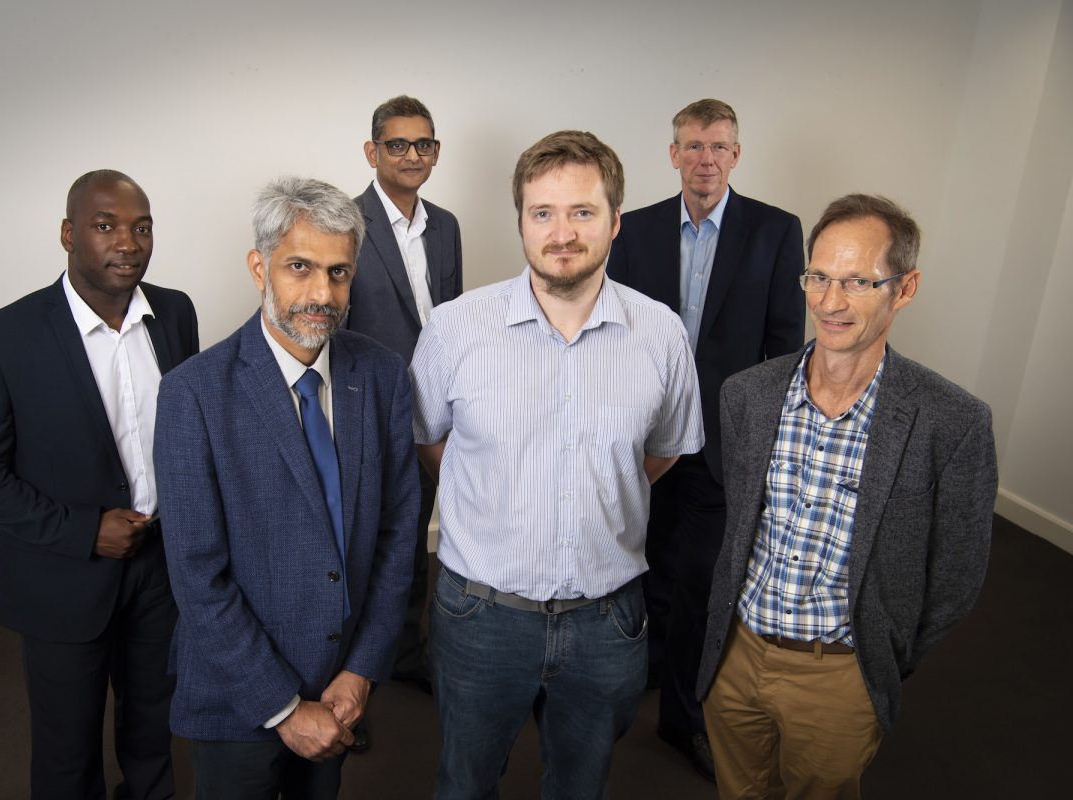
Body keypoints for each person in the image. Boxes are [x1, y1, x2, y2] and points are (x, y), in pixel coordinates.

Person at [412, 130, 704, 799]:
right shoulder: (456, 329)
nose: (562, 232)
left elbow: (661, 452)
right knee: (464, 785)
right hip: (480, 616)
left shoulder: (660, 333)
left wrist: (604, 483)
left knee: (581, 787)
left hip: (606, 621)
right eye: (542, 212)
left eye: (582, 212)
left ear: (615, 221)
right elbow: (431, 442)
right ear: (519, 221)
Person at [697, 194, 997, 799]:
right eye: (820, 277)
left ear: (904, 288)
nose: (830, 303)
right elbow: (739, 518)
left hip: (838, 674)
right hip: (735, 654)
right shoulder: (747, 395)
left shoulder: (951, 421)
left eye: (858, 281)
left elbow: (956, 576)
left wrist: (880, 654)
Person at [153, 176, 417, 798]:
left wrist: (360, 670)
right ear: (258, 267)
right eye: (299, 267)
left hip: (340, 687)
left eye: (338, 272)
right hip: (237, 695)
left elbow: (398, 534)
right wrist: (281, 708)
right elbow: (197, 575)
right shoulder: (193, 394)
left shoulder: (380, 376)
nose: (321, 294)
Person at [0, 169, 199, 799]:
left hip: (161, 568)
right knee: (66, 751)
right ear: (67, 234)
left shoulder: (174, 312)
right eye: (105, 225)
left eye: (141, 228)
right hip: (62, 576)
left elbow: (190, 431)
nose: (128, 242)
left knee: (152, 726)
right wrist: (85, 530)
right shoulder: (1, 339)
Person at [606, 97, 805, 779]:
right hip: (643, 441)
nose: (704, 159)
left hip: (721, 444)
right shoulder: (632, 229)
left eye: (717, 147)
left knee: (697, 583)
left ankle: (680, 721)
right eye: (691, 146)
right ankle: (635, 681)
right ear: (672, 155)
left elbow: (784, 347)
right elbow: (613, 335)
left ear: (736, 155)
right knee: (635, 571)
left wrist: (763, 440)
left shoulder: (778, 232)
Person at [349, 95, 463, 701]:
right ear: (373, 152)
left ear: (436, 152)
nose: (412, 155)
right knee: (357, 546)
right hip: (364, 410)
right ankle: (346, 678)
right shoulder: (344, 222)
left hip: (430, 410)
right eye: (398, 144)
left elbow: (451, 323)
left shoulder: (445, 226)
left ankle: (406, 653)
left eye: (423, 144)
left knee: (416, 535)